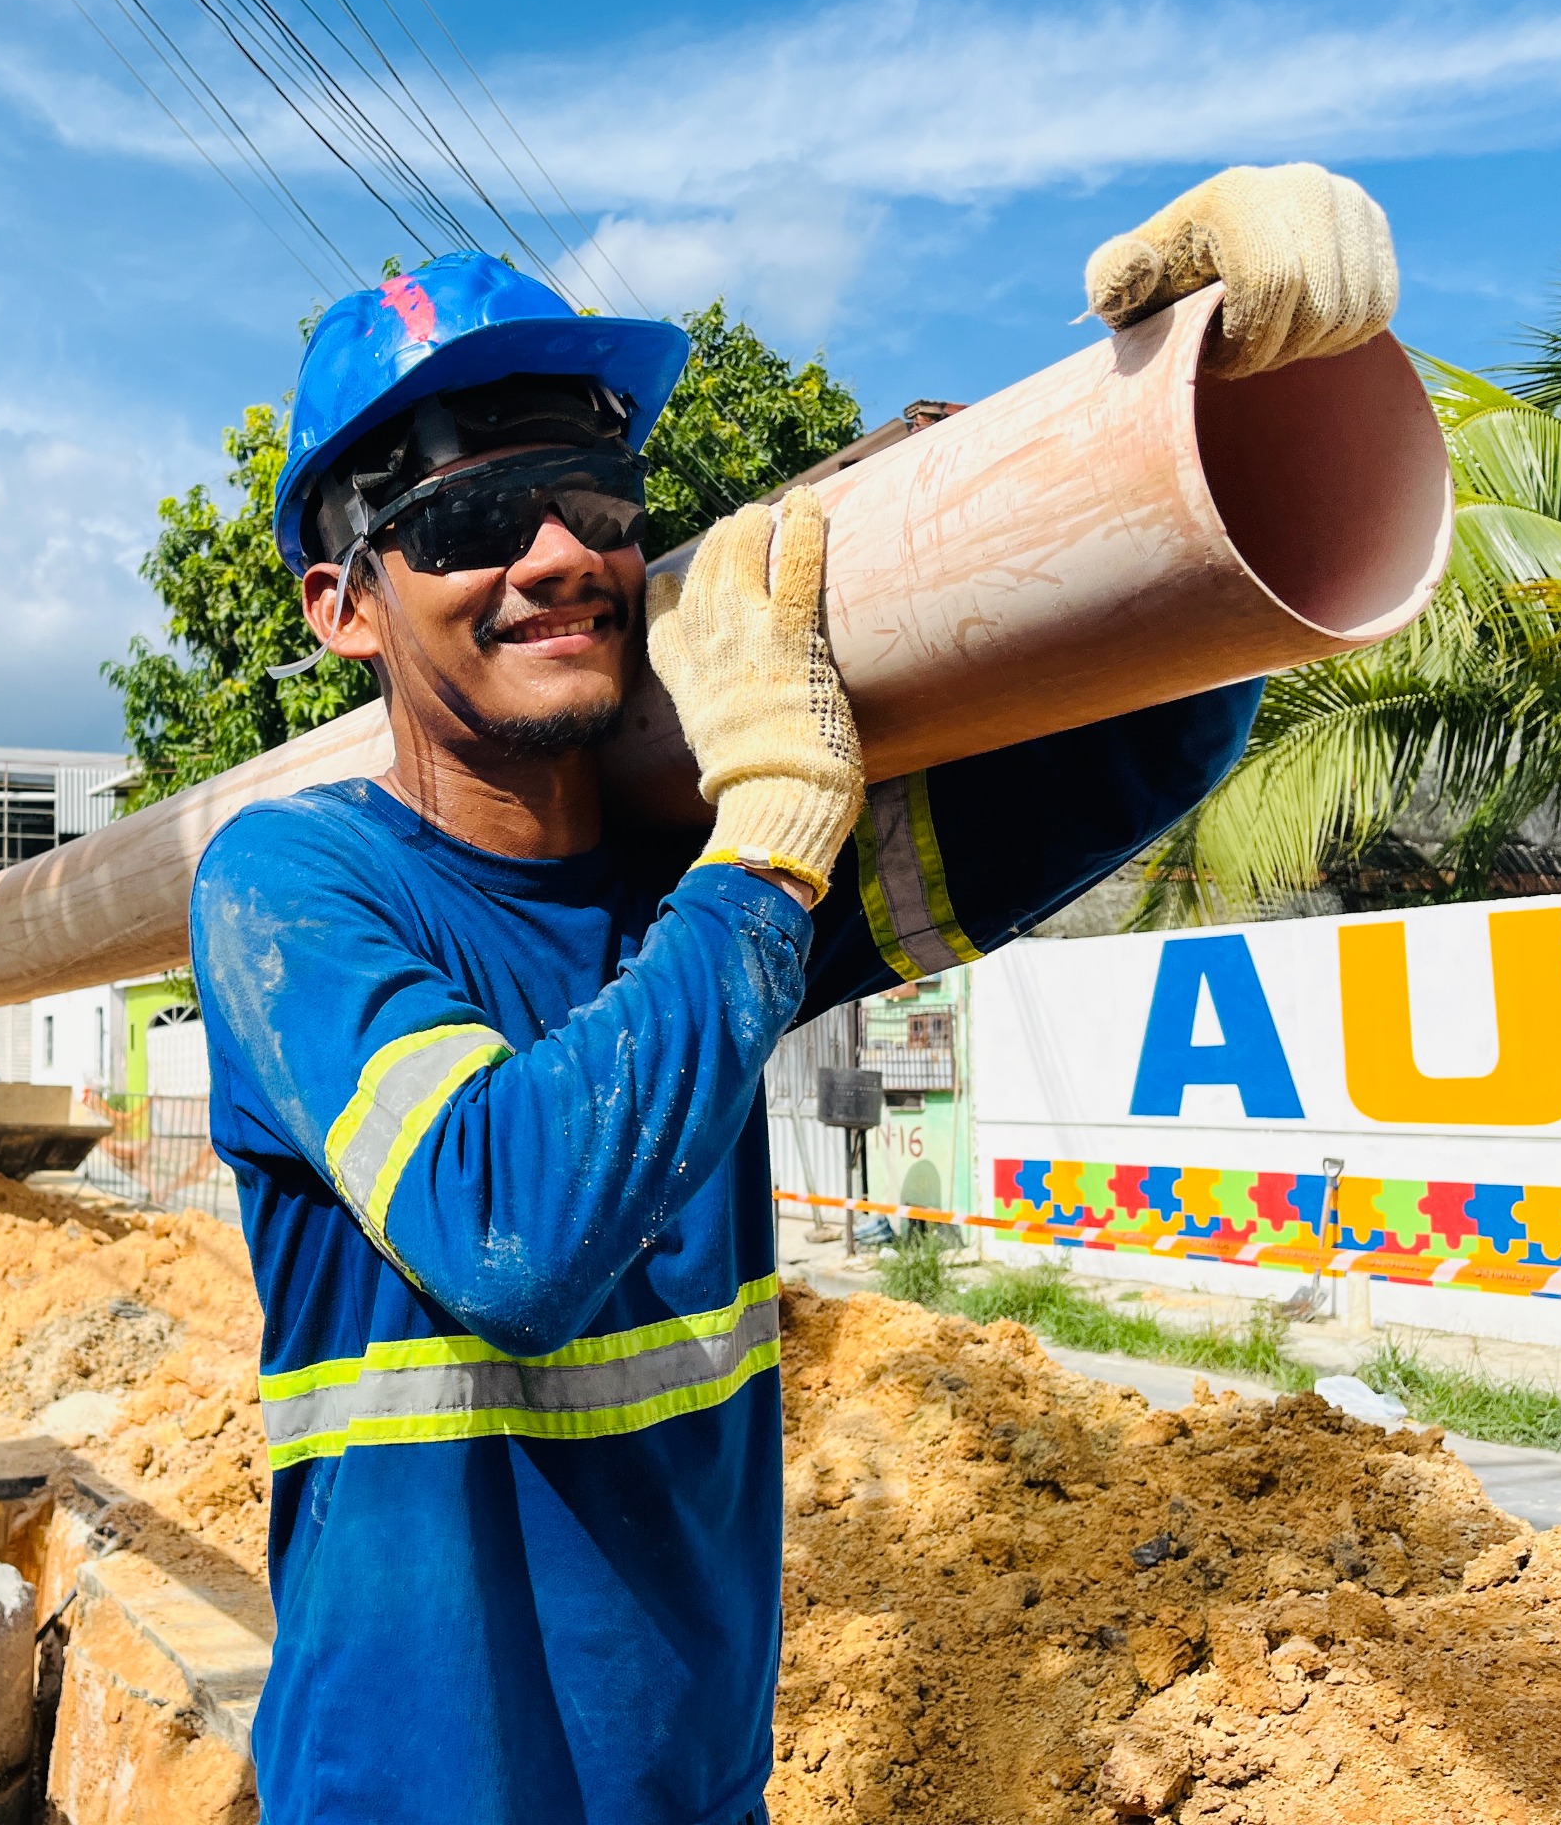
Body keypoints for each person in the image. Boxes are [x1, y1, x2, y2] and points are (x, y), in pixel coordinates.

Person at [187, 167, 1396, 1823]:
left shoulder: (694, 899)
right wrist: (764, 838)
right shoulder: (295, 886)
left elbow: (1144, 740)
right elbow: (508, 1228)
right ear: (343, 606)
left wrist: (1194, 403)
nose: (558, 554)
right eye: (471, 518)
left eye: (595, 496)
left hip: (693, 1790)